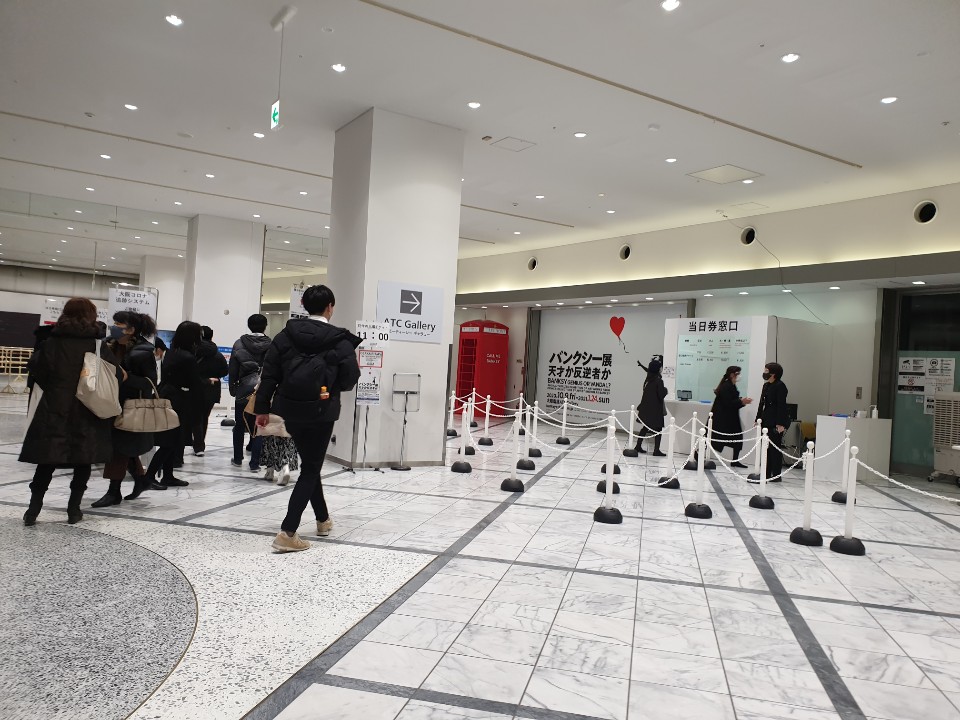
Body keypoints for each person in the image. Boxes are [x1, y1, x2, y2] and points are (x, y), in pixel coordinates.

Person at [255, 285, 360, 553]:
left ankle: (323, 520)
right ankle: (288, 532)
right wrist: (331, 386)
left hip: (290, 409)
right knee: (311, 468)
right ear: (330, 307)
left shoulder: (285, 336)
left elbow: (269, 374)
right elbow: (350, 379)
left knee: (311, 465)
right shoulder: (340, 340)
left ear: (303, 305)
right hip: (322, 411)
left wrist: (262, 409)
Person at [20, 298, 123, 525]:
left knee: (47, 460)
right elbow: (114, 374)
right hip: (88, 408)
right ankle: (74, 510)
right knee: (83, 460)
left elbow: (37, 370)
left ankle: (32, 511)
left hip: (54, 407)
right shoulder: (97, 345)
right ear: (91, 316)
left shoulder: (51, 342)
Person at [93, 311, 164, 506]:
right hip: (109, 402)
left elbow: (150, 383)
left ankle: (113, 491)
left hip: (130, 406)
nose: (114, 327)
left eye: (119, 324)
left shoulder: (143, 352)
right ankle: (141, 480)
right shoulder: (108, 345)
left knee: (118, 448)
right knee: (125, 447)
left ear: (131, 330)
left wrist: (127, 378)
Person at [143, 321, 207, 488]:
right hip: (179, 401)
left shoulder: (172, 353)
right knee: (171, 441)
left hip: (168, 397)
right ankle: (149, 476)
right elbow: (194, 383)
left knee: (172, 440)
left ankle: (168, 475)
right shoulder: (188, 357)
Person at [229, 314, 272, 472]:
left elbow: (233, 369)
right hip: (262, 390)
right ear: (265, 326)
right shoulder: (272, 345)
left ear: (249, 325)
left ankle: (237, 459)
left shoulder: (239, 343)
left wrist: (233, 389)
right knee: (259, 426)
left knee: (239, 425)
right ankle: (254, 463)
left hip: (243, 389)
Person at [191, 326, 229, 458]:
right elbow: (225, 371)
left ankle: (198, 446)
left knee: (196, 417)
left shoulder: (194, 352)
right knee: (204, 417)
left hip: (195, 387)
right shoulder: (217, 354)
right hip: (212, 389)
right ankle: (200, 444)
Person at [710, 365, 753, 469]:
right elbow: (728, 403)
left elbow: (732, 401)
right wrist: (741, 401)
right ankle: (698, 453)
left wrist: (741, 401)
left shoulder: (731, 385)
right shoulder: (726, 386)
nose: (739, 376)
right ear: (732, 375)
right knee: (714, 439)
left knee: (737, 438)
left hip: (730, 417)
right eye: (738, 373)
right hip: (723, 418)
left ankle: (735, 460)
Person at [755, 361, 789, 482]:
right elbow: (761, 403)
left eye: (767, 371)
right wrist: (757, 418)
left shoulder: (780, 386)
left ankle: (776, 474)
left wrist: (780, 423)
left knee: (775, 449)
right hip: (766, 419)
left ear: (774, 374)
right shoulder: (766, 386)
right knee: (766, 448)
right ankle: (766, 472)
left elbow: (781, 405)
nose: (764, 373)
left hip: (775, 421)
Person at [634, 357, 667, 456]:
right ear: (658, 369)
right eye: (660, 367)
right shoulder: (658, 381)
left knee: (645, 427)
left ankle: (638, 446)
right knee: (658, 430)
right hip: (655, 410)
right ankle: (656, 450)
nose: (661, 369)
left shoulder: (648, 379)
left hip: (646, 408)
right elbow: (661, 395)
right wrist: (665, 390)